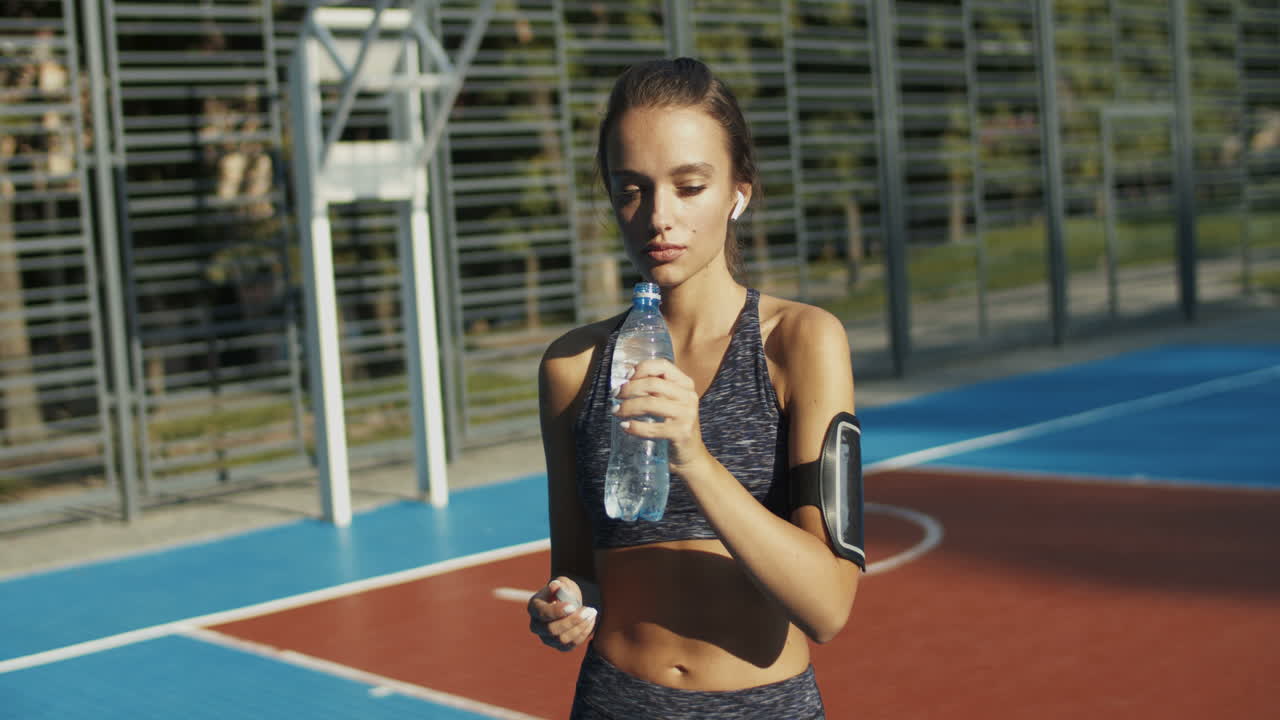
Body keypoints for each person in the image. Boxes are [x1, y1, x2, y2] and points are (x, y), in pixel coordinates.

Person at [528, 57, 862, 719]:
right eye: (632, 188)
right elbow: (580, 570)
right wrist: (564, 604)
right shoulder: (572, 367)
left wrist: (695, 458)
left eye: (688, 185)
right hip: (615, 701)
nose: (658, 216)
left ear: (739, 189)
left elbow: (828, 606)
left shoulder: (798, 342)